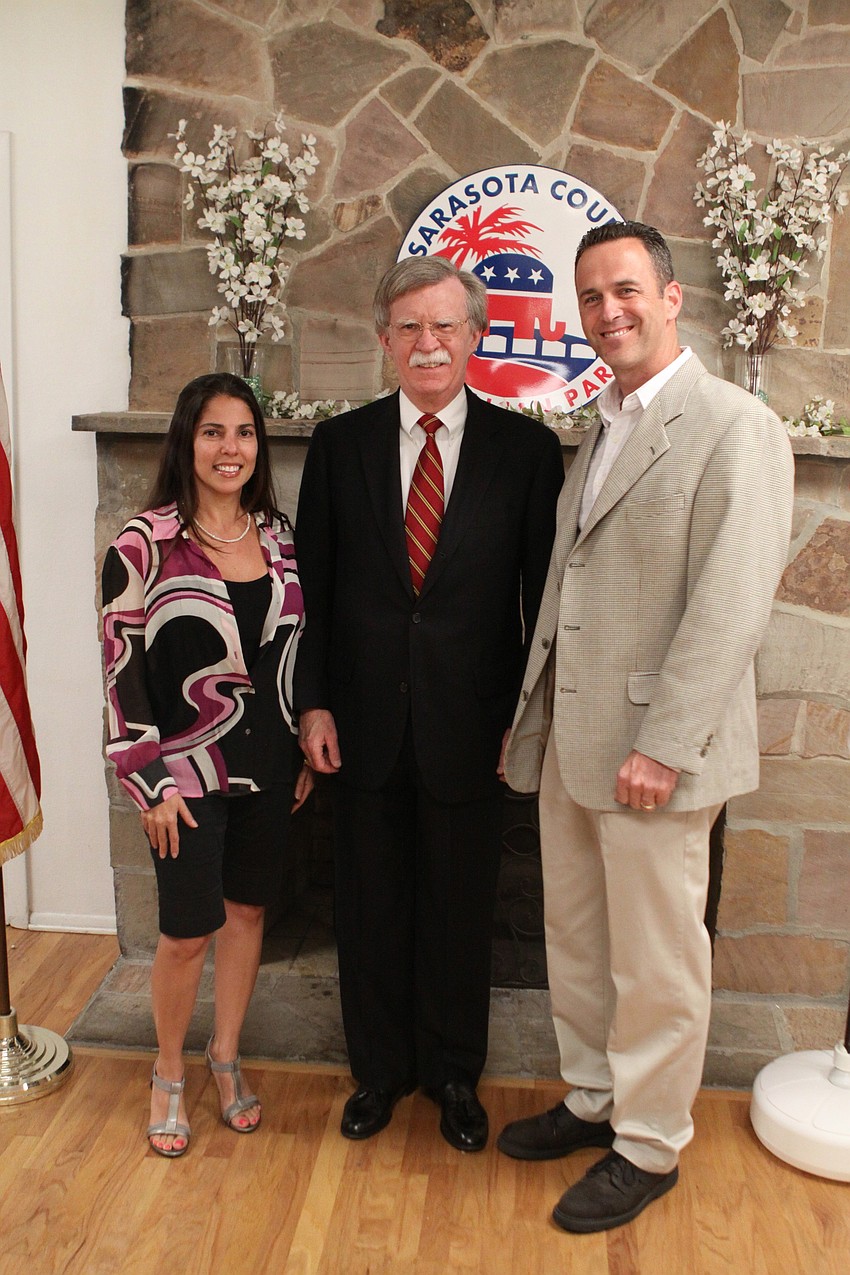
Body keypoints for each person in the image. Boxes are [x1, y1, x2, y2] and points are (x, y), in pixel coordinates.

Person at [497, 222, 794, 1230]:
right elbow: (570, 586)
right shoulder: (601, 424)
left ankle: (651, 1143)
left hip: (652, 755)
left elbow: (730, 603)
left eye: (624, 289)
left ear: (670, 297)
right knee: (576, 943)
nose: (606, 312)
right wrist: (530, 720)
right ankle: (593, 1100)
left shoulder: (732, 425)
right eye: (588, 297)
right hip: (574, 743)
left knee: (658, 960)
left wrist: (662, 746)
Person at [294, 255, 564, 1151]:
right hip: (362, 725)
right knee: (369, 908)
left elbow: (540, 606)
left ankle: (454, 1076)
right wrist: (315, 704)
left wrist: (522, 725)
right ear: (384, 341)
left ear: (476, 336)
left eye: (445, 325)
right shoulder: (339, 447)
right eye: (409, 327)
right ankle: (379, 1073)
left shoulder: (525, 453)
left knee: (458, 911)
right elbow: (315, 593)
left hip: (473, 729)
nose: (428, 343)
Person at [102, 371, 312, 1157]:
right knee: (188, 931)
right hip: (180, 777)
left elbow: (294, 651)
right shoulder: (143, 542)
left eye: (244, 433)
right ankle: (167, 1071)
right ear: (187, 442)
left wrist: (298, 744)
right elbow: (121, 670)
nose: (231, 449)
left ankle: (225, 1056)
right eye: (214, 432)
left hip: (268, 762)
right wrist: (147, 779)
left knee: (249, 913)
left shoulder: (282, 537)